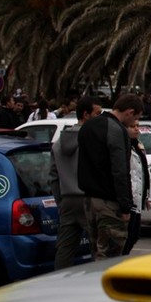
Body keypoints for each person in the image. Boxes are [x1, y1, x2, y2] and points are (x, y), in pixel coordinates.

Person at [77, 93, 144, 260]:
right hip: (109, 201)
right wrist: (125, 206)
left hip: (89, 199)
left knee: (95, 254)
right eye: (135, 117)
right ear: (129, 112)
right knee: (110, 256)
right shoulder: (116, 130)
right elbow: (120, 170)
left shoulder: (88, 126)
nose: (134, 123)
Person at [49, 96, 102, 269]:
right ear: (86, 115)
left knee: (65, 248)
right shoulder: (91, 140)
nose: (100, 118)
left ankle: (59, 284)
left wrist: (60, 200)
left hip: (67, 199)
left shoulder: (58, 143)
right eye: (97, 114)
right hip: (89, 198)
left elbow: (53, 176)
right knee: (98, 247)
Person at [122, 121, 151, 254]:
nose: (136, 129)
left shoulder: (138, 146)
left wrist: (145, 195)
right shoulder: (123, 146)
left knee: (134, 235)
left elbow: (143, 171)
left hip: (138, 195)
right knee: (127, 236)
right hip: (130, 196)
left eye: (137, 126)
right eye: (132, 126)